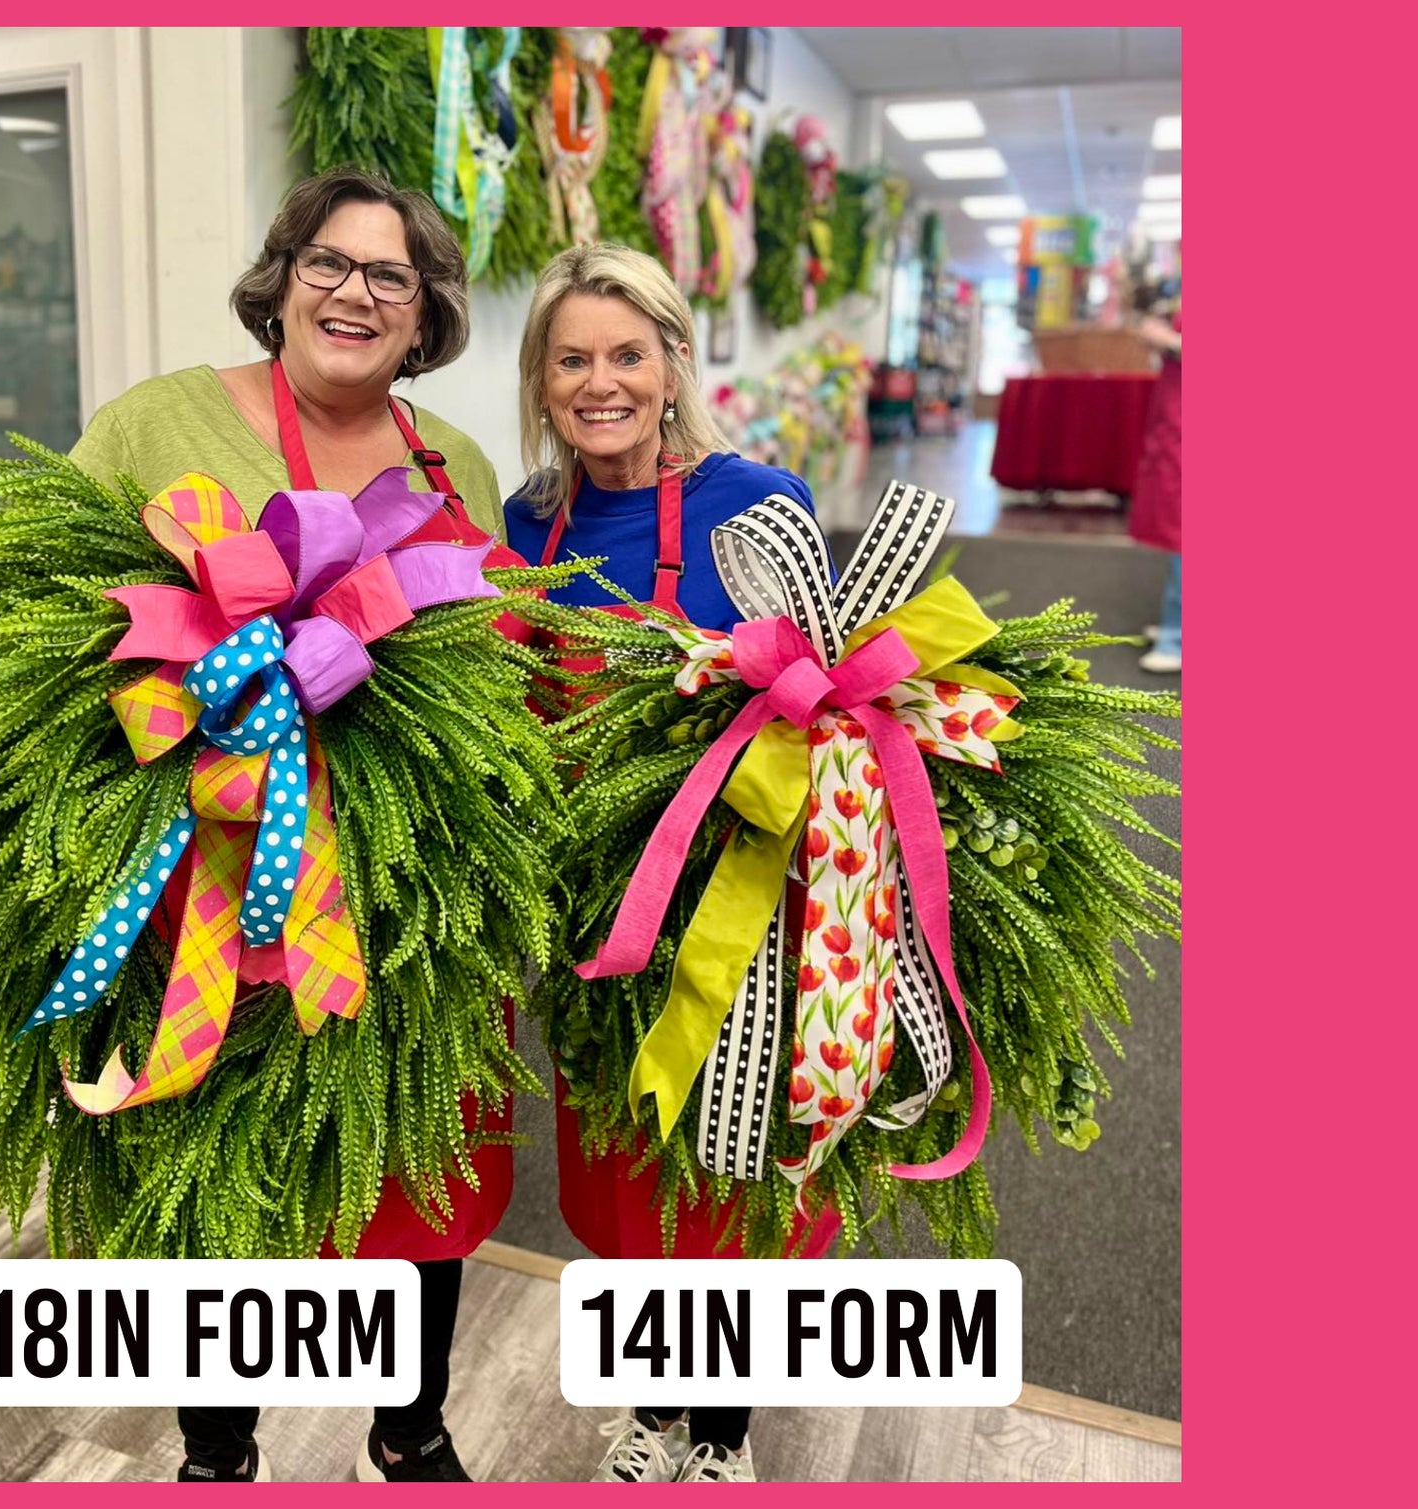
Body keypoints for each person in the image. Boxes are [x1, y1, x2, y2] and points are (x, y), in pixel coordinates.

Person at [69, 166, 511, 1485]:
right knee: (217, 1178)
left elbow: (498, 678)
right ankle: (219, 1449)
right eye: (328, 262)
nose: (354, 293)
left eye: (391, 275)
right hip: (208, 892)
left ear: (426, 313)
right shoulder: (158, 423)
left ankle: (408, 1428)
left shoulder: (457, 464)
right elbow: (48, 620)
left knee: (409, 1166)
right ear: (281, 279)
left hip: (400, 906)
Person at [503, 243, 823, 1484]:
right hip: (591, 908)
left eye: (627, 354)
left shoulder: (760, 502)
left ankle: (724, 1435)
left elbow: (829, 700)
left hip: (733, 900)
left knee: (726, 1163)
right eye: (571, 359)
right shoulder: (530, 521)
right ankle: (652, 1405)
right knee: (627, 1165)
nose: (601, 384)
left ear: (675, 362)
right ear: (541, 381)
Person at [1129, 304, 1182, 673]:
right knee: (1175, 524)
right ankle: (1176, 624)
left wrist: (1170, 340)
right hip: (1176, 413)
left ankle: (1177, 636)